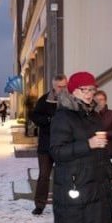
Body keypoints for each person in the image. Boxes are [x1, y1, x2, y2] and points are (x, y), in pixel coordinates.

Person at [50, 71, 112, 223]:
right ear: (73, 91)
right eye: (83, 90)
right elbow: (57, 152)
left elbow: (98, 149)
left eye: (91, 90)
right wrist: (88, 144)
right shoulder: (64, 116)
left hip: (90, 180)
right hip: (71, 182)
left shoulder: (92, 115)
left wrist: (108, 171)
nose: (89, 94)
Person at [30, 74, 67, 215]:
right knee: (44, 176)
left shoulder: (71, 100)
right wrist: (48, 120)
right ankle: (39, 205)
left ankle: (64, 202)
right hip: (46, 146)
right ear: (53, 86)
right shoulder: (44, 100)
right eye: (60, 87)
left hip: (64, 145)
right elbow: (34, 116)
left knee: (64, 175)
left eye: (65, 86)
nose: (62, 89)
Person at [93, 90, 112, 159]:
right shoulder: (89, 115)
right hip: (94, 153)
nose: (98, 102)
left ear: (105, 101)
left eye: (101, 99)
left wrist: (103, 134)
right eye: (96, 100)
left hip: (109, 152)